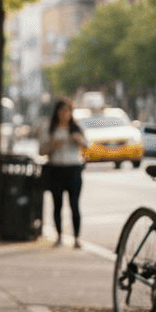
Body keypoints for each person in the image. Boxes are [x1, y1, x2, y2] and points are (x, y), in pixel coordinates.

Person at [38, 98, 87, 248]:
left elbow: (86, 145)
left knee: (74, 205)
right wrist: (53, 144)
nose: (66, 114)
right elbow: (41, 151)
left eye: (68, 111)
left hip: (73, 168)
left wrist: (78, 140)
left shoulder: (76, 127)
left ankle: (77, 237)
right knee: (57, 204)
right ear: (57, 112)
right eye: (63, 111)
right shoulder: (50, 129)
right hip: (56, 169)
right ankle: (59, 236)